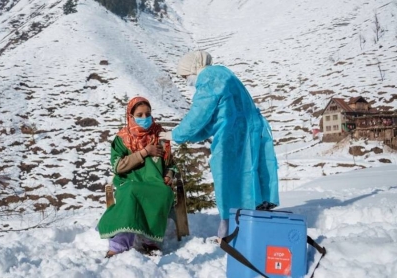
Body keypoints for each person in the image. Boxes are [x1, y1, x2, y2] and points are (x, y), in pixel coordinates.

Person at [159, 51, 279, 240]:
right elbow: (212, 120)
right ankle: (247, 226)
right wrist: (184, 136)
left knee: (229, 182)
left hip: (234, 138)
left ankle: (232, 232)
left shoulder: (209, 77)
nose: (187, 81)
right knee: (249, 178)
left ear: (193, 68)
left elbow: (199, 115)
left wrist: (175, 134)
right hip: (247, 132)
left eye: (185, 77)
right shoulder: (223, 74)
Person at [97, 96, 176, 258]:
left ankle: (150, 241)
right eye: (139, 115)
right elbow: (118, 166)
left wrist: (169, 174)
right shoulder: (122, 139)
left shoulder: (160, 136)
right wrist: (145, 152)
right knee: (132, 192)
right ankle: (119, 244)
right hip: (130, 181)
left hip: (154, 183)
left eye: (148, 114)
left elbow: (171, 164)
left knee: (164, 192)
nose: (145, 118)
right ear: (130, 116)